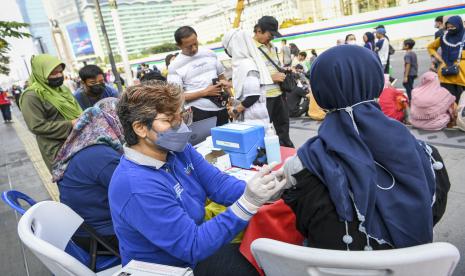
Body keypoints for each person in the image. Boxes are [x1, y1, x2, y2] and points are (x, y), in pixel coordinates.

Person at [281, 45, 449, 251]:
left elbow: (305, 226)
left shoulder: (300, 165)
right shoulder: (428, 156)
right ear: (376, 81)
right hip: (414, 266)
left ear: (320, 90)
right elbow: (434, 213)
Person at [108, 81, 285, 275]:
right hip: (172, 268)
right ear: (140, 128)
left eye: (182, 116)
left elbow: (218, 184)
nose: (180, 125)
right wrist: (248, 204)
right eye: (168, 120)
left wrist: (268, 189)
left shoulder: (177, 150)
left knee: (266, 259)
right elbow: (192, 246)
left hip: (195, 251)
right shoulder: (137, 186)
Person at [52, 97, 124, 252]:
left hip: (82, 230)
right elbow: (134, 192)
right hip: (100, 237)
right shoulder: (103, 157)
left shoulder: (83, 144)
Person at [20, 54, 82, 172]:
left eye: (60, 71)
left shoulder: (63, 89)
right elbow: (36, 126)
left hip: (79, 140)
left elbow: (77, 110)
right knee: (74, 181)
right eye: (53, 73)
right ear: (41, 72)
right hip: (58, 149)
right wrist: (71, 124)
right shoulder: (32, 95)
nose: (58, 75)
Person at [168, 26, 231, 126]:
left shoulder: (210, 54)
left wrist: (230, 97)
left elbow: (222, 77)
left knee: (226, 140)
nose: (194, 48)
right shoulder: (174, 66)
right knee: (204, 141)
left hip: (221, 107)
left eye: (195, 44)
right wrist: (205, 92)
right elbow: (176, 97)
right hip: (198, 112)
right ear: (178, 46)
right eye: (189, 46)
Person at [254, 16, 294, 147]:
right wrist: (271, 78)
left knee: (284, 129)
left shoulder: (273, 47)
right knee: (264, 132)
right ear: (259, 31)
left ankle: (288, 154)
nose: (272, 38)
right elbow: (247, 76)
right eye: (270, 34)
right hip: (264, 97)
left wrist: (283, 71)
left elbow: (273, 67)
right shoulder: (250, 49)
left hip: (279, 94)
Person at [222, 29, 270, 127]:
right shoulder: (244, 64)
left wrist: (235, 110)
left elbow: (253, 96)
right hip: (252, 120)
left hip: (253, 122)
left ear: (232, 46)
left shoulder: (247, 65)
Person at [427, 15, 465, 103]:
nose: (450, 29)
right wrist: (440, 59)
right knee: (450, 101)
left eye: (453, 26)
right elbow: (430, 47)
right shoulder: (443, 38)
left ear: (459, 25)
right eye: (448, 27)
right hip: (446, 74)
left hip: (461, 74)